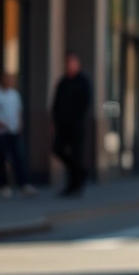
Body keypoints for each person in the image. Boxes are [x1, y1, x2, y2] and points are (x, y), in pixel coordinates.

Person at [0, 73, 36, 198]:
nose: (10, 81)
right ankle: (4, 185)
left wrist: (20, 122)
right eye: (8, 79)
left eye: (12, 79)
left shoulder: (14, 94)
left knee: (18, 157)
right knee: (1, 158)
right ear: (2, 79)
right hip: (0, 131)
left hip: (13, 130)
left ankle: (23, 184)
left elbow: (18, 110)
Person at [52, 53, 92, 197]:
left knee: (76, 156)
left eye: (72, 63)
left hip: (77, 125)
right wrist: (56, 120)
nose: (69, 65)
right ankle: (81, 174)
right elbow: (56, 103)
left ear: (78, 64)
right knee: (58, 149)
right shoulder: (63, 82)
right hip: (63, 125)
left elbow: (86, 102)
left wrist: (75, 117)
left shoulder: (83, 81)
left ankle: (74, 185)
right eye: (67, 63)